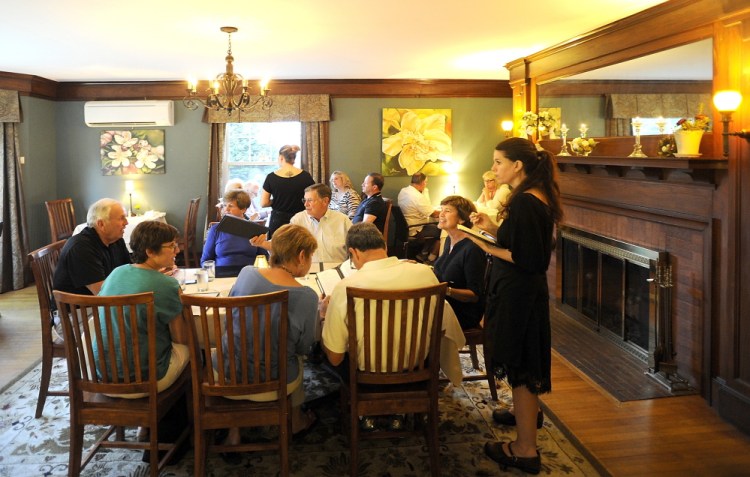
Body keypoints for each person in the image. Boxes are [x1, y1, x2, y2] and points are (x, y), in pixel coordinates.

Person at [467, 138, 563, 475]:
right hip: (522, 291)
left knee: (522, 366)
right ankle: (525, 413)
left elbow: (527, 258)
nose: (493, 169)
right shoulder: (532, 197)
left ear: (517, 165)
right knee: (521, 361)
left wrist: (482, 245)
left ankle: (524, 449)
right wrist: (491, 229)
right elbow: (522, 242)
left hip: (520, 294)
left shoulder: (525, 202)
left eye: (497, 162)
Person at [320, 222, 441, 431]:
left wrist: (324, 316)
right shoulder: (425, 274)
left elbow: (335, 357)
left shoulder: (345, 287)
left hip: (366, 378)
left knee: (325, 350)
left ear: (353, 253)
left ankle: (365, 413)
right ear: (384, 245)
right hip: (416, 369)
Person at [220, 224, 320, 448]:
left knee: (241, 346)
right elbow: (305, 348)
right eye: (311, 255)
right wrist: (319, 314)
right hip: (275, 377)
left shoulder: (247, 273)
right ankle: (296, 422)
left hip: (230, 372)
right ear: (301, 256)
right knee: (294, 358)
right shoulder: (306, 296)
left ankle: (234, 431)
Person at [96, 221, 189, 397]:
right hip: (145, 379)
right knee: (194, 349)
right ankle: (181, 416)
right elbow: (180, 337)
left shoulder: (116, 273)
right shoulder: (167, 284)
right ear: (150, 252)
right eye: (171, 246)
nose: (177, 250)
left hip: (105, 376)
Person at [251, 184, 351, 264]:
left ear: (325, 201)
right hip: (307, 275)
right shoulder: (298, 220)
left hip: (337, 274)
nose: (305, 204)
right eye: (305, 200)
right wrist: (261, 243)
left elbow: (356, 250)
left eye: (310, 200)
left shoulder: (342, 221)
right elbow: (280, 245)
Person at [53, 198, 132, 296]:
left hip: (99, 301)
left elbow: (130, 271)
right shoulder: (81, 248)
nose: (126, 223)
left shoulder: (116, 240)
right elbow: (102, 293)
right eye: (121, 218)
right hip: (79, 308)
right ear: (101, 224)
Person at [432, 195, 486, 329]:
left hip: (462, 313)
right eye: (441, 209)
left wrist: (447, 290)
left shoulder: (472, 249)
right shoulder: (450, 241)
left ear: (462, 218)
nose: (441, 214)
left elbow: (475, 295)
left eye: (447, 211)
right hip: (444, 306)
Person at [201, 189, 268, 272]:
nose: (226, 209)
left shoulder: (254, 229)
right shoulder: (215, 229)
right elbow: (205, 261)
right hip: (221, 275)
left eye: (231, 206)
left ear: (243, 209)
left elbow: (264, 257)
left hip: (249, 274)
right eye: (225, 205)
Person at [260, 145, 315, 238]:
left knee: (279, 250)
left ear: (281, 158)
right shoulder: (306, 176)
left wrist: (278, 200)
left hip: (278, 221)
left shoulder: (271, 177)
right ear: (294, 158)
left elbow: (264, 203)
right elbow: (313, 197)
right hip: (301, 220)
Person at [397, 172, 440, 263]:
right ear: (423, 182)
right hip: (416, 228)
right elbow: (433, 214)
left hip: (406, 226)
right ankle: (430, 257)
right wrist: (445, 211)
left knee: (433, 226)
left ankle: (423, 252)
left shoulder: (403, 191)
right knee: (441, 230)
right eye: (426, 182)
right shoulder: (417, 197)